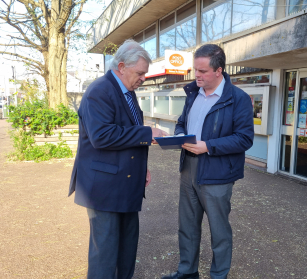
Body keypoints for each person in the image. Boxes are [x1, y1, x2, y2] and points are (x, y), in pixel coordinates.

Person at [68, 40, 168, 279]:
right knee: (105, 252)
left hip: (125, 183)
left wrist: (143, 167)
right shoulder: (100, 91)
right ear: (121, 66)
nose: (144, 78)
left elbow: (126, 133)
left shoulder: (127, 92)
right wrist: (147, 132)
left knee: (126, 247)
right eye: (140, 73)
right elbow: (101, 137)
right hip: (104, 188)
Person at [162, 44, 254, 279]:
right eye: (195, 70)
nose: (197, 75)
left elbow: (244, 139)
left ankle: (218, 276)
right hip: (188, 168)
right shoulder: (193, 93)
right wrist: (180, 135)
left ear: (219, 71)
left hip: (218, 173)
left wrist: (208, 146)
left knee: (219, 231)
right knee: (187, 226)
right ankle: (187, 272)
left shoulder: (238, 99)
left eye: (202, 71)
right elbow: (182, 122)